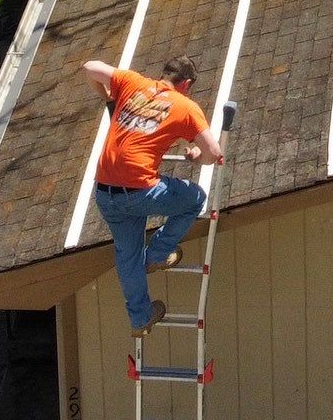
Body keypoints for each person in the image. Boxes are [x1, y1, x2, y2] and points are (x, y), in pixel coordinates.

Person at [84, 54, 227, 333]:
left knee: (128, 256)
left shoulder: (132, 82)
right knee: (194, 199)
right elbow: (215, 153)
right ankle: (159, 253)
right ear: (186, 83)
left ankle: (140, 319)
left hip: (105, 193)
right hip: (139, 190)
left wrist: (109, 101)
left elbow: (89, 68)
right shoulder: (185, 107)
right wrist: (197, 155)